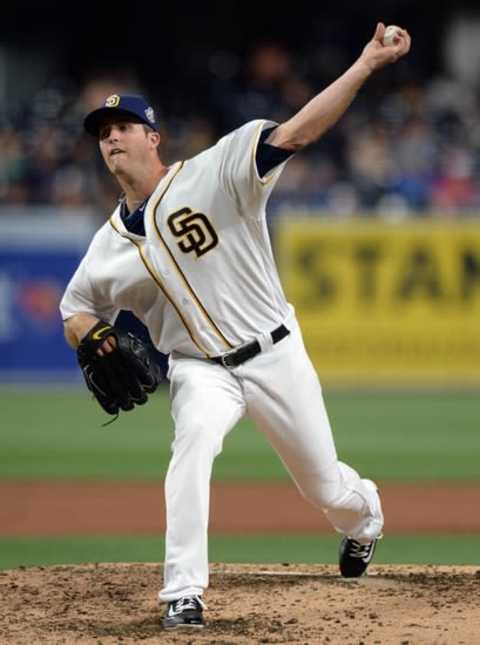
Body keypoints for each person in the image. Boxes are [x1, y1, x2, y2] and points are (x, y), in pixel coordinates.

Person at [60, 23, 411, 631]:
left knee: (325, 487)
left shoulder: (216, 171)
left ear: (154, 138)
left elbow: (297, 131)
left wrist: (364, 65)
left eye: (123, 127)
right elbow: (75, 308)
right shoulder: (106, 247)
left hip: (274, 351)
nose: (111, 137)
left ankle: (366, 518)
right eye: (102, 133)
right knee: (190, 448)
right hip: (198, 369)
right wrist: (94, 336)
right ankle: (183, 593)